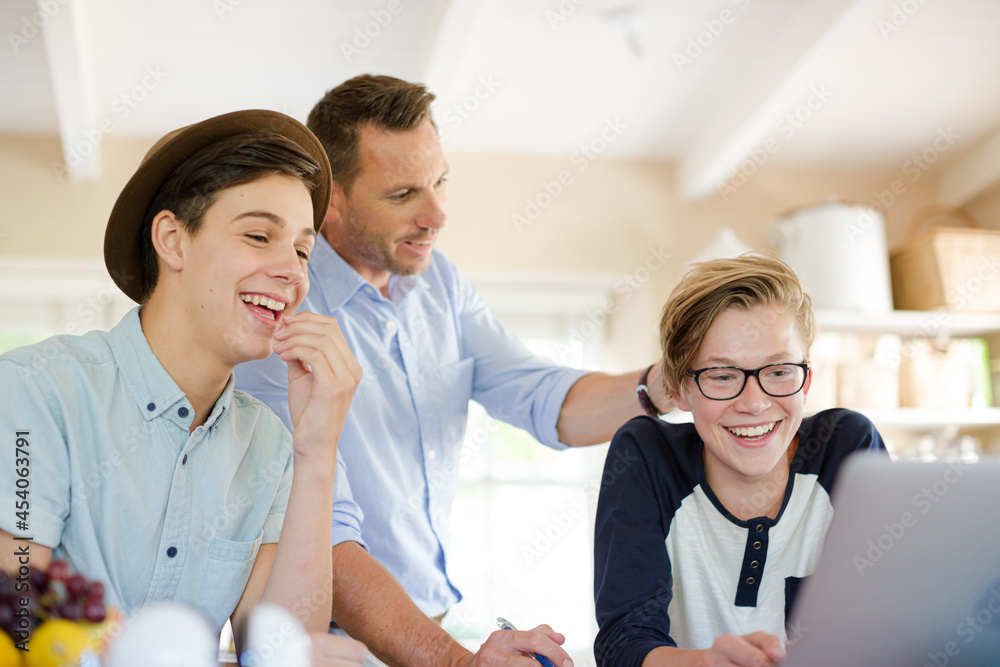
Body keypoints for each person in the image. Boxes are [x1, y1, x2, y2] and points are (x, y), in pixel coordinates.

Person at [234, 74, 673, 666]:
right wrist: (458, 662)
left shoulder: (439, 285)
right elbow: (325, 542)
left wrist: (660, 386)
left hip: (424, 626)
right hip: (327, 642)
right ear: (330, 197)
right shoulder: (280, 321)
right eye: (403, 194)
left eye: (440, 182)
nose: (437, 213)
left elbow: (540, 395)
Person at [0, 110, 366, 665]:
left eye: (301, 251)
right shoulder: (35, 394)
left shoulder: (268, 446)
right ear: (173, 239)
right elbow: (17, 622)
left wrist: (318, 452)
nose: (291, 272)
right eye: (259, 235)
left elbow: (285, 653)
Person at [592, 255, 888, 667]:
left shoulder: (846, 446)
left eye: (780, 370)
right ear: (680, 390)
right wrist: (705, 663)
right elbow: (622, 645)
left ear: (807, 381)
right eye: (721, 375)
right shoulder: (645, 456)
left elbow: (887, 617)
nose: (755, 403)